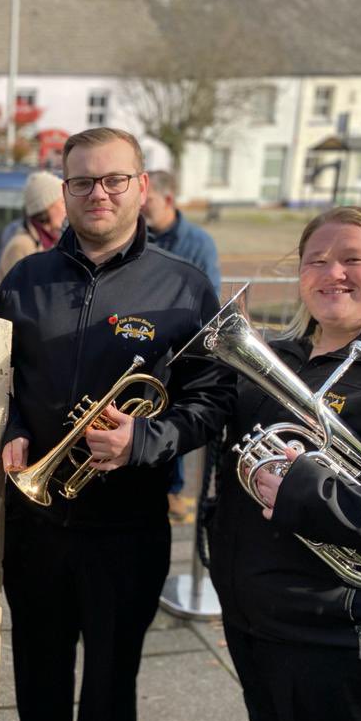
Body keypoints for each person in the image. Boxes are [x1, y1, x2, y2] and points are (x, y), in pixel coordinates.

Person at [0, 127, 234, 721]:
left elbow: (212, 400)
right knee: (36, 654)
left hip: (128, 526)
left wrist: (143, 438)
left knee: (112, 671)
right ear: (63, 191)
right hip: (36, 520)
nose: (98, 193)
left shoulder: (185, 288)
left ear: (141, 187)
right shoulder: (24, 280)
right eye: (82, 181)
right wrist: (13, 429)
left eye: (114, 179)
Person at [209, 206, 361, 721]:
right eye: (316, 261)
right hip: (261, 619)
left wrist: (300, 488)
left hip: (348, 631)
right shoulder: (281, 359)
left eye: (353, 258)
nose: (331, 272)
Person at [141, 169, 222, 518]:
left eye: (150, 203)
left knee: (179, 421)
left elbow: (208, 295)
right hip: (147, 348)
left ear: (169, 200)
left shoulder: (198, 242)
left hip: (184, 348)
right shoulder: (139, 238)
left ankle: (174, 491)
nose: (143, 211)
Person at [0, 170, 66, 281]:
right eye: (62, 202)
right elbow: (17, 293)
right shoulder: (21, 246)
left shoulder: (55, 241)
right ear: (45, 206)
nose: (66, 208)